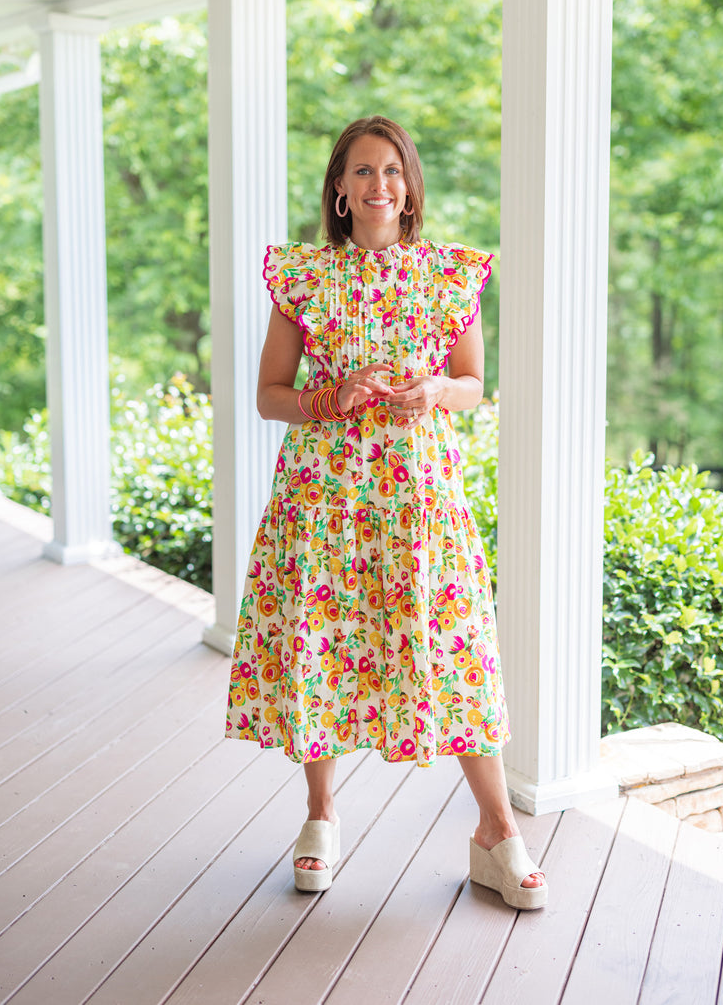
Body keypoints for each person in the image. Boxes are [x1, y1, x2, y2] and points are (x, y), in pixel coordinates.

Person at [225, 116, 547, 910]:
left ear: (410, 186)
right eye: (362, 172)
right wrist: (330, 396)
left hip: (419, 503)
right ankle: (320, 815)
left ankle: (496, 831)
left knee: (458, 650)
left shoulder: (449, 275)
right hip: (325, 499)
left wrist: (435, 389)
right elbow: (269, 396)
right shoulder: (304, 277)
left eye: (392, 171)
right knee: (322, 651)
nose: (379, 186)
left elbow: (471, 383)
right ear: (339, 188)